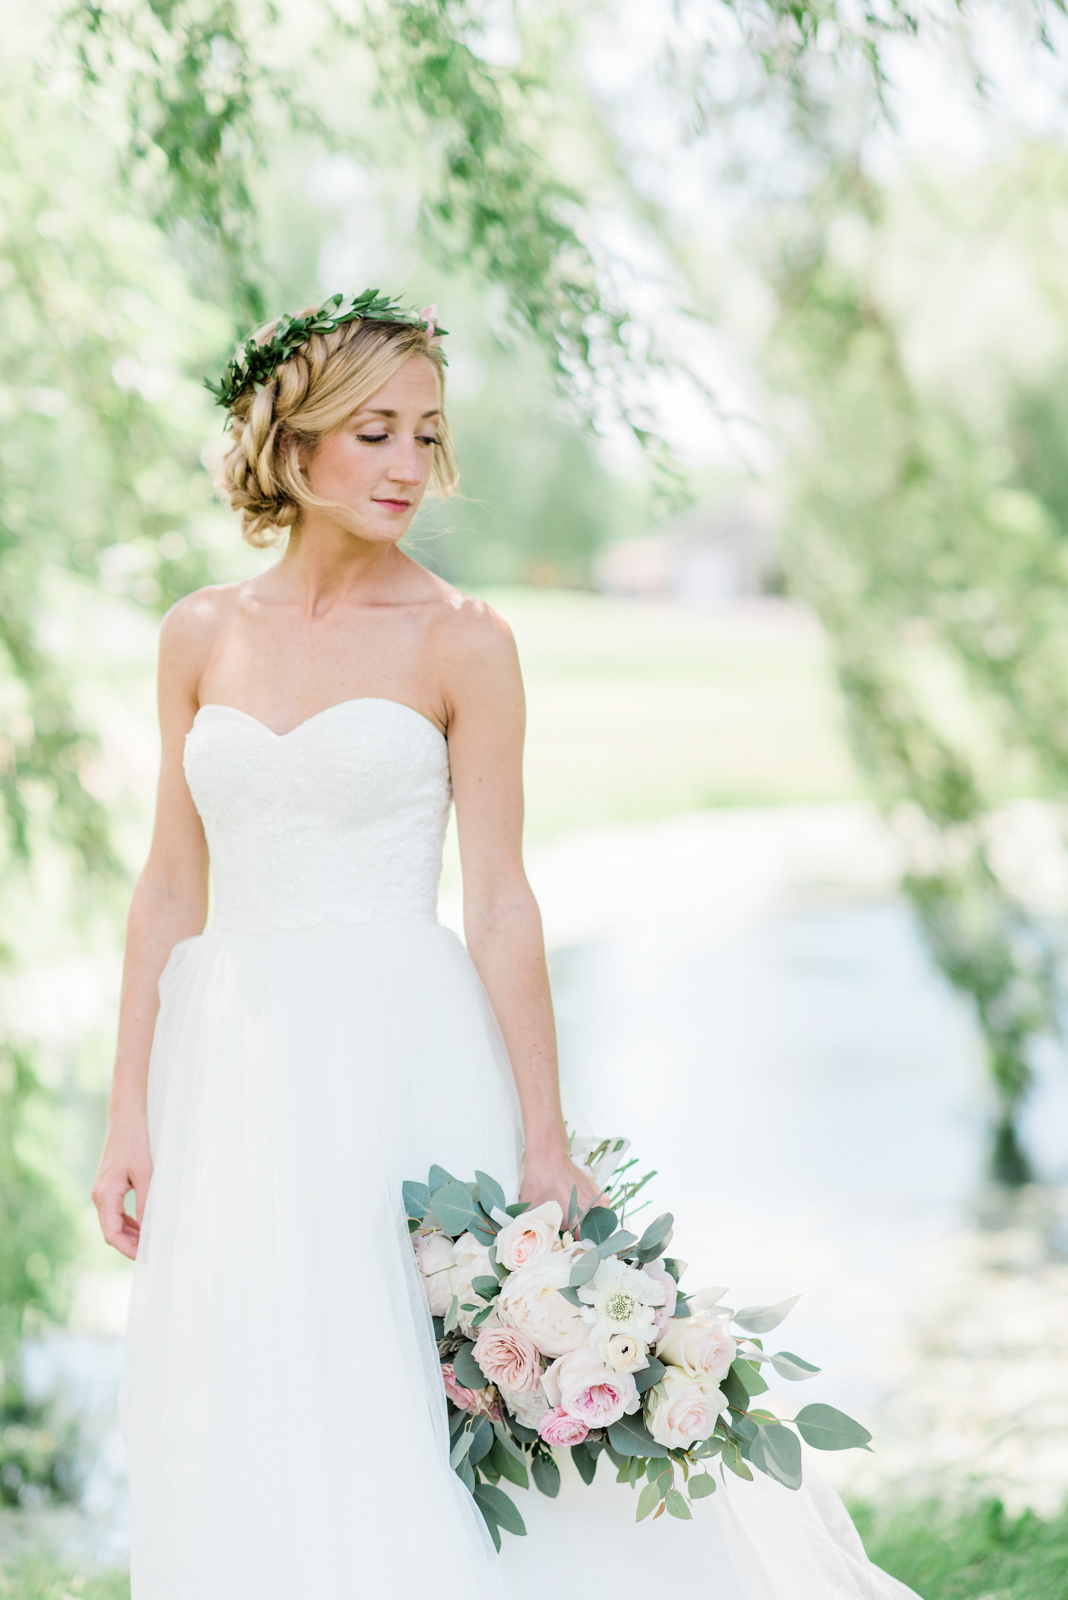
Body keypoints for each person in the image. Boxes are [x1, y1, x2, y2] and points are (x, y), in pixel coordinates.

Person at [92, 294, 920, 1600]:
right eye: (375, 431)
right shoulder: (198, 633)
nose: (410, 465)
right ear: (293, 440)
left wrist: (544, 1135)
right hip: (234, 1065)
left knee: (428, 1389)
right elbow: (167, 885)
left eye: (428, 433)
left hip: (403, 1050)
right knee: (248, 1370)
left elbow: (500, 903)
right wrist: (127, 1113)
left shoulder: (463, 639)